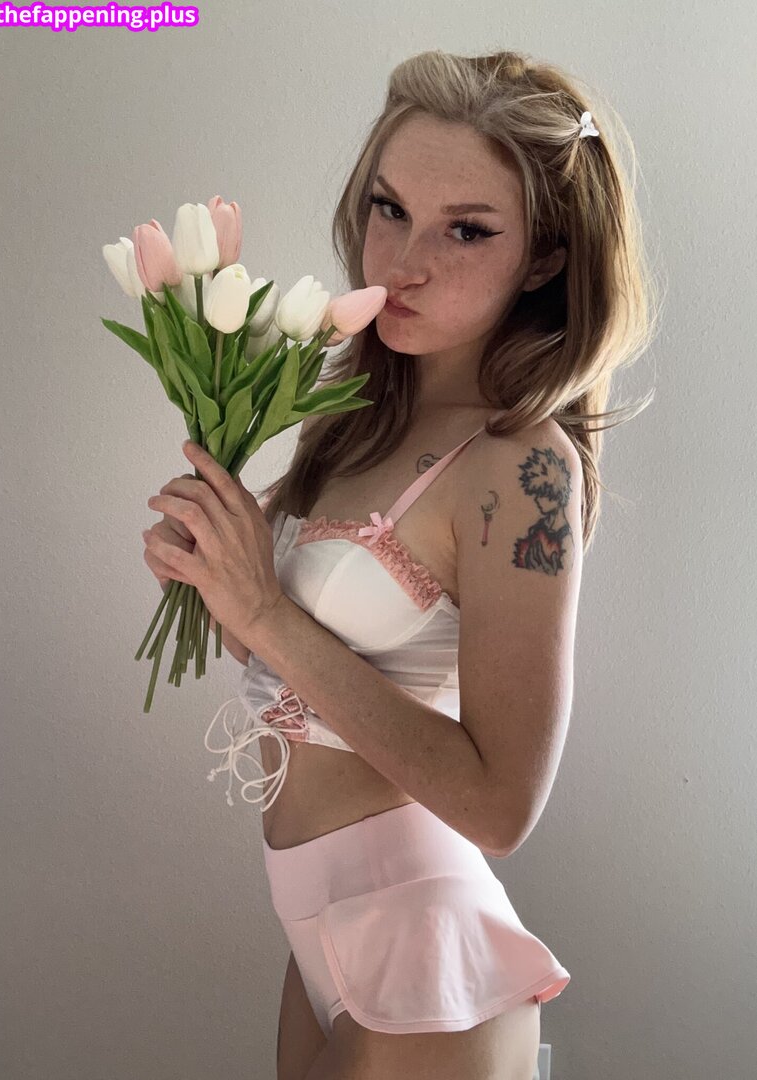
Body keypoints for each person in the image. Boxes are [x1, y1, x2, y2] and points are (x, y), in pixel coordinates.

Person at [144, 48, 658, 1080]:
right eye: (389, 209)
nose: (404, 262)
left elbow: (501, 807)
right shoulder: (350, 417)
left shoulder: (519, 467)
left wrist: (269, 614)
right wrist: (214, 583)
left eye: (465, 230)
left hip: (418, 943)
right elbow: (310, 674)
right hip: (316, 928)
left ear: (545, 258)